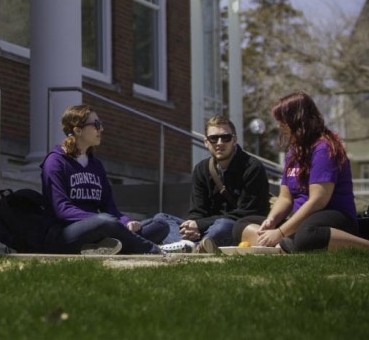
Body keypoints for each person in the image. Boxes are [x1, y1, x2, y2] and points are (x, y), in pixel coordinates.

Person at [232, 91, 369, 253]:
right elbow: (285, 198)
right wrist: (271, 222)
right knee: (241, 224)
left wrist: (281, 232)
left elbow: (318, 201)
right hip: (299, 223)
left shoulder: (324, 148)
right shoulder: (294, 151)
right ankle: (284, 245)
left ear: (297, 120)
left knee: (308, 234)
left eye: (282, 120)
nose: (279, 126)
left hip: (333, 220)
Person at [40, 104, 168, 255]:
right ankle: (152, 250)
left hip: (102, 228)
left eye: (100, 124)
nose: (101, 129)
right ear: (77, 130)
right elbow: (62, 209)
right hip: (65, 234)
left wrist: (126, 221)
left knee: (160, 225)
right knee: (106, 222)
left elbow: (110, 208)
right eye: (96, 125)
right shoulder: (55, 162)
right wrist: (101, 220)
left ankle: (107, 247)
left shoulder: (96, 164)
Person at [154, 115, 270, 253]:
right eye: (213, 138)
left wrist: (200, 224)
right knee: (162, 219)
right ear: (206, 142)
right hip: (207, 229)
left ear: (234, 140)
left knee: (223, 225)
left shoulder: (252, 167)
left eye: (225, 137)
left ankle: (191, 246)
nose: (219, 143)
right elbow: (198, 211)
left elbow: (246, 213)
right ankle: (196, 244)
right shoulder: (201, 169)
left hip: (237, 227)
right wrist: (192, 226)